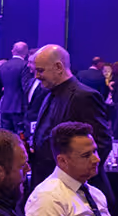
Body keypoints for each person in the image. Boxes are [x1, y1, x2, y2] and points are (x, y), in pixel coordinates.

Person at [27, 44, 113, 186]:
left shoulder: (84, 96)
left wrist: (74, 182)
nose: (37, 76)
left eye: (40, 71)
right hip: (49, 183)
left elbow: (101, 144)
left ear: (59, 67)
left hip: (73, 191)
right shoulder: (49, 93)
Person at [0, 41, 30, 134]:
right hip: (20, 108)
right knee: (20, 139)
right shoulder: (25, 65)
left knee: (6, 138)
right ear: (26, 53)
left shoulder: (2, 66)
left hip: (5, 107)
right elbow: (26, 87)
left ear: (13, 51)